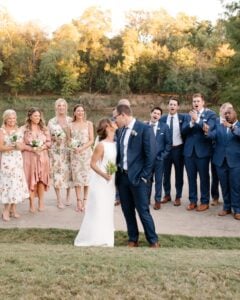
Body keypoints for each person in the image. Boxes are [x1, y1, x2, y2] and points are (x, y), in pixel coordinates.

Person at [115, 104, 159, 248]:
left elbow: (151, 155)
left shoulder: (144, 129)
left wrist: (144, 177)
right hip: (122, 178)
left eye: (116, 117)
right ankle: (133, 239)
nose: (114, 120)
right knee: (127, 210)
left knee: (143, 211)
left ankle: (153, 240)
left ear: (123, 115)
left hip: (139, 179)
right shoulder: (120, 131)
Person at [74, 118, 117, 247]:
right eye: (112, 123)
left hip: (110, 182)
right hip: (100, 181)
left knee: (107, 209)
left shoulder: (115, 143)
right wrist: (104, 175)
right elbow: (92, 164)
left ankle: (105, 236)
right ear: (108, 127)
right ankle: (93, 237)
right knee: (98, 208)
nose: (116, 124)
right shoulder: (101, 145)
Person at [182, 93, 216, 212]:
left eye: (198, 101)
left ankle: (205, 201)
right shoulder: (188, 115)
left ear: (203, 102)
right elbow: (183, 131)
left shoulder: (210, 114)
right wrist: (191, 123)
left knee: (204, 178)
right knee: (191, 178)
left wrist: (197, 120)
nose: (195, 103)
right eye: (194, 101)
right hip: (189, 152)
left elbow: (209, 129)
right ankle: (192, 201)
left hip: (203, 152)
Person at [204, 107, 240, 220]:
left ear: (234, 114)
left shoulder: (238, 126)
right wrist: (206, 131)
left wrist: (232, 127)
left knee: (235, 186)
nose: (227, 115)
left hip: (235, 162)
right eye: (225, 114)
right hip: (220, 162)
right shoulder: (220, 127)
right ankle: (227, 207)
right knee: (224, 186)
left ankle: (237, 209)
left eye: (229, 113)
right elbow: (211, 135)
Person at [0, 110, 29, 221]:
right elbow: (1, 148)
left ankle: (13, 209)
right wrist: (13, 147)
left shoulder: (18, 130)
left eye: (13, 118)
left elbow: (22, 146)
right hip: (7, 161)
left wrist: (19, 146)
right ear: (5, 119)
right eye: (9, 118)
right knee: (8, 184)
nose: (12, 120)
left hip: (17, 160)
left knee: (16, 184)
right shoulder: (2, 131)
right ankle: (5, 211)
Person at [21, 107, 51, 213]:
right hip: (29, 157)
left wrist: (41, 147)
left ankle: (41, 203)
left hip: (42, 157)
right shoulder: (24, 129)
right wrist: (31, 148)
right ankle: (31, 204)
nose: (38, 118)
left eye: (39, 116)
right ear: (30, 117)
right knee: (31, 181)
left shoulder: (44, 128)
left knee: (41, 180)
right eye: (35, 116)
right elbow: (20, 144)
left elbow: (49, 142)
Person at [160, 97, 186, 206]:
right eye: (170, 104)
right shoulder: (163, 119)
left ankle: (178, 196)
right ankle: (167, 194)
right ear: (168, 106)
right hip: (166, 150)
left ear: (178, 107)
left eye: (174, 105)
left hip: (178, 149)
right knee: (166, 173)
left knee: (179, 174)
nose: (172, 106)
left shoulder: (183, 118)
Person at [68, 104, 94, 212]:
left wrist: (82, 148)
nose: (80, 113)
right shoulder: (70, 125)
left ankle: (86, 200)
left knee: (87, 179)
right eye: (78, 111)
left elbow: (92, 140)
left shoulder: (89, 124)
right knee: (78, 178)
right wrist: (74, 147)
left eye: (82, 111)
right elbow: (69, 140)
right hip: (75, 155)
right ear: (74, 113)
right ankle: (78, 201)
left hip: (87, 154)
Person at [48, 98, 72, 208]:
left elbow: (73, 136)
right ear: (56, 107)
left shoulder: (71, 120)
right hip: (56, 151)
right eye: (59, 105)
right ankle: (58, 199)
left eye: (63, 105)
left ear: (66, 107)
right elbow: (48, 137)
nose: (61, 107)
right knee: (57, 174)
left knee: (68, 173)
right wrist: (54, 138)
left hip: (68, 150)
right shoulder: (51, 121)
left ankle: (68, 196)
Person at [147, 107, 172, 210]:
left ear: (160, 116)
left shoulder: (164, 127)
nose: (156, 115)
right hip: (147, 159)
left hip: (159, 159)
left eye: (158, 114)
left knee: (158, 180)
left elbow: (168, 144)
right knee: (147, 180)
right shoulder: (145, 126)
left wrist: (162, 156)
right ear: (150, 113)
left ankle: (157, 201)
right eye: (154, 113)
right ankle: (146, 199)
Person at [210, 102, 233, 206]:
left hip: (228, 155)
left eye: (230, 110)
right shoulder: (215, 121)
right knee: (215, 177)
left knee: (228, 178)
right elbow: (210, 134)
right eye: (227, 110)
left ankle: (230, 200)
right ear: (222, 110)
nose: (228, 112)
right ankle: (215, 197)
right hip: (215, 153)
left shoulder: (232, 122)